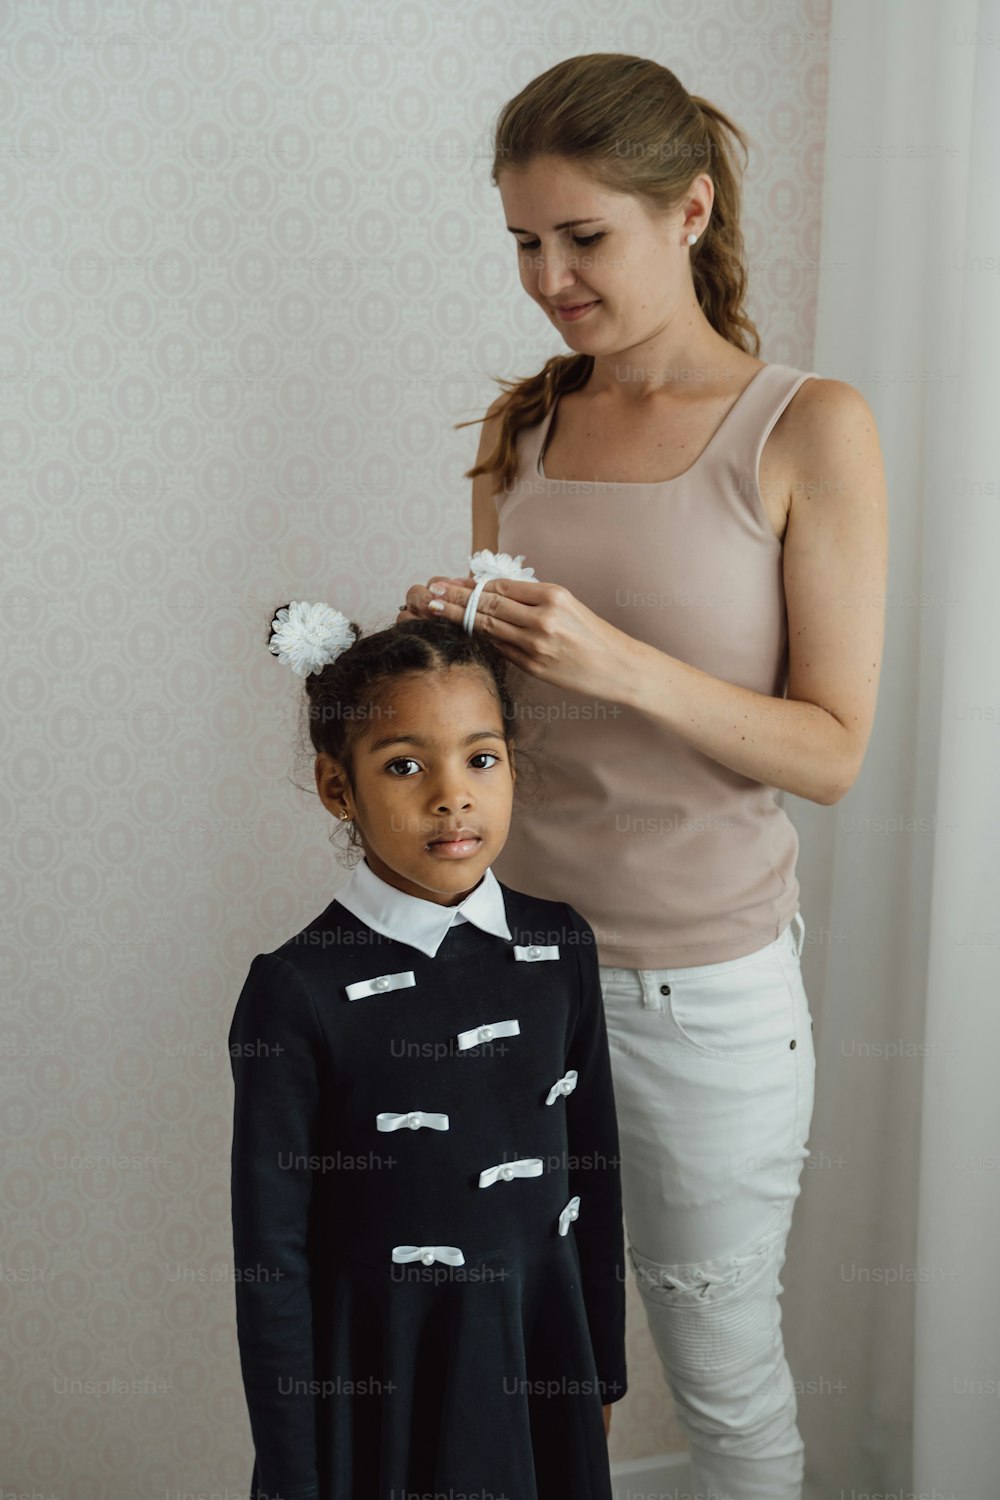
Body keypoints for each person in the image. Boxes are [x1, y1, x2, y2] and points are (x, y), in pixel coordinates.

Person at [400, 53, 888, 1500]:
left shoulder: (809, 428)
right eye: (523, 243)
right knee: (540, 1368)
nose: (549, 277)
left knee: (722, 1371)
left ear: (689, 209)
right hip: (508, 967)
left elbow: (835, 750)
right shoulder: (524, 431)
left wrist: (614, 662)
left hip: (704, 999)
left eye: (582, 237)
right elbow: (502, 733)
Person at [228, 600, 628, 1500]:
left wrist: (600, 1368)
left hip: (539, 1360)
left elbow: (595, 1174)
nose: (452, 795)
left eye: (481, 760)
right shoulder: (297, 991)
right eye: (405, 765)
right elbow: (271, 1259)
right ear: (339, 789)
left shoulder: (561, 948)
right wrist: (296, 1471)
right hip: (384, 1388)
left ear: (512, 769)